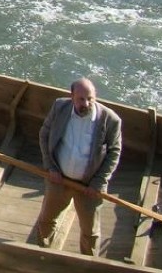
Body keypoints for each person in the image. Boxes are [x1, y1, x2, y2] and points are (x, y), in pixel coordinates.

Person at [37, 77, 122, 256]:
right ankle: (43, 254)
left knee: (90, 232)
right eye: (81, 99)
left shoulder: (110, 120)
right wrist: (50, 167)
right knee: (46, 221)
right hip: (58, 179)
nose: (86, 103)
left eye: (90, 98)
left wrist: (98, 182)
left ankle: (88, 264)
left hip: (89, 186)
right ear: (72, 96)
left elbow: (114, 153)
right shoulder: (60, 107)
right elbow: (44, 134)